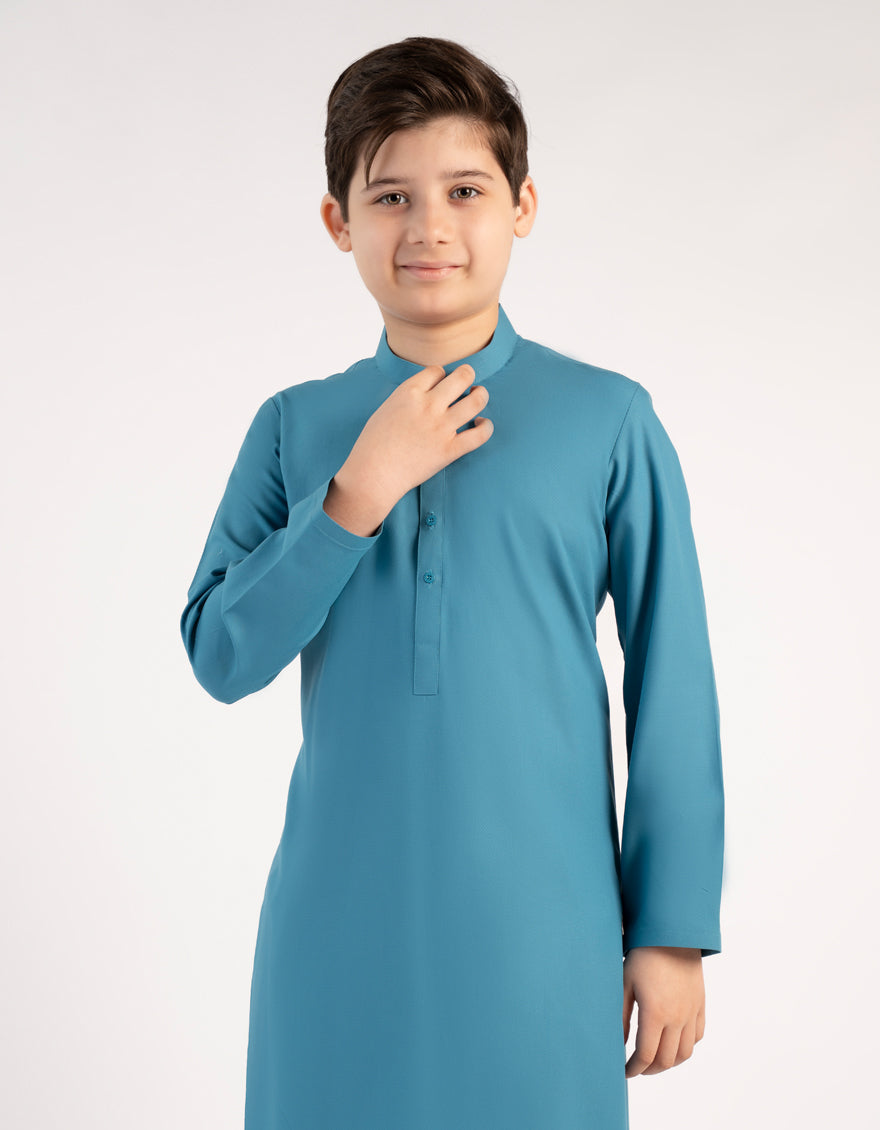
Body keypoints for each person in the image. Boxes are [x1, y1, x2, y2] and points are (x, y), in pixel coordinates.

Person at [180, 35, 725, 1130]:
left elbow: (673, 678)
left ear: (522, 206)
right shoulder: (294, 427)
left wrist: (669, 929)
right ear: (338, 222)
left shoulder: (608, 418)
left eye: (464, 191)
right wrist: (357, 492)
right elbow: (222, 655)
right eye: (390, 196)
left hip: (546, 929)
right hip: (333, 930)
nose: (428, 226)